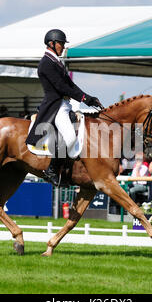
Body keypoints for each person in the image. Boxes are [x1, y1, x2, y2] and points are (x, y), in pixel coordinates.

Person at [25, 29, 103, 186]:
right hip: (56, 106)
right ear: (51, 44)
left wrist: (89, 98)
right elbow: (61, 87)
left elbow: (71, 85)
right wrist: (84, 98)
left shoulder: (56, 62)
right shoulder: (46, 63)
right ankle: (51, 170)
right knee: (70, 137)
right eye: (61, 43)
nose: (62, 47)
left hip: (65, 104)